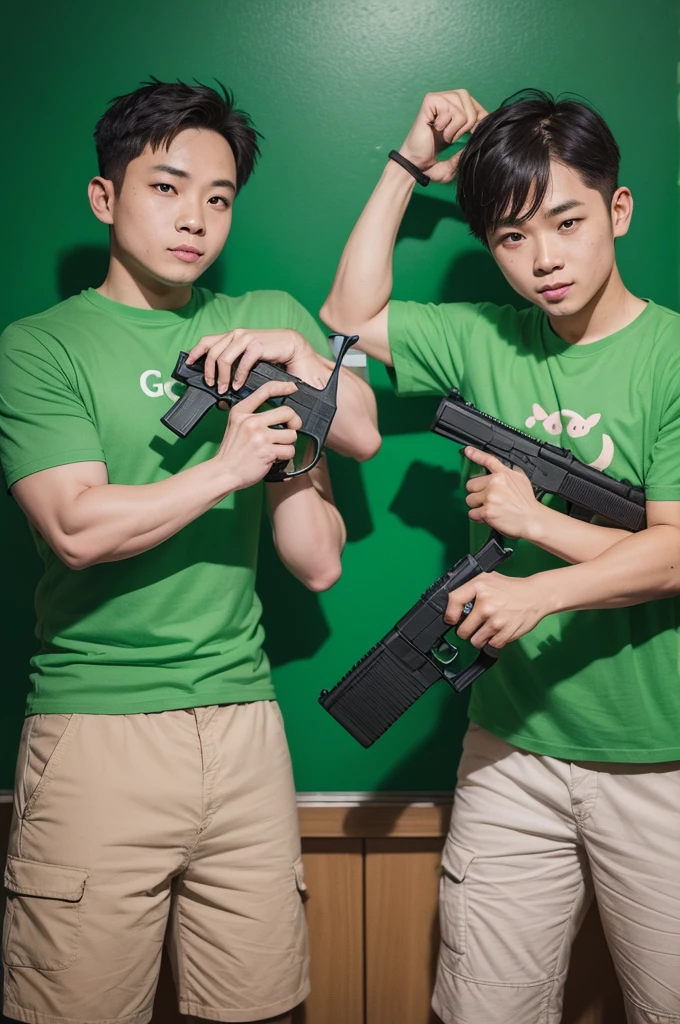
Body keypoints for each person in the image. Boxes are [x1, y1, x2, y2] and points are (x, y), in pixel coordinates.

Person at [0, 79, 380, 1024]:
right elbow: (76, 528)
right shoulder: (41, 346)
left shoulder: (257, 319)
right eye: (167, 188)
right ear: (105, 199)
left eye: (218, 198)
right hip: (99, 731)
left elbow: (318, 562)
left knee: (261, 1008)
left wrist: (293, 396)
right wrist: (225, 467)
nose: (195, 219)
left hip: (246, 727)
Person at [321, 88, 680, 1024]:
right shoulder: (488, 340)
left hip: (661, 764)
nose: (544, 260)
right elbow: (345, 317)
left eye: (566, 221)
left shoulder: (673, 358)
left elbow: (679, 552)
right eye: (513, 240)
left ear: (619, 210)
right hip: (508, 759)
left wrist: (543, 562)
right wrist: (405, 163)